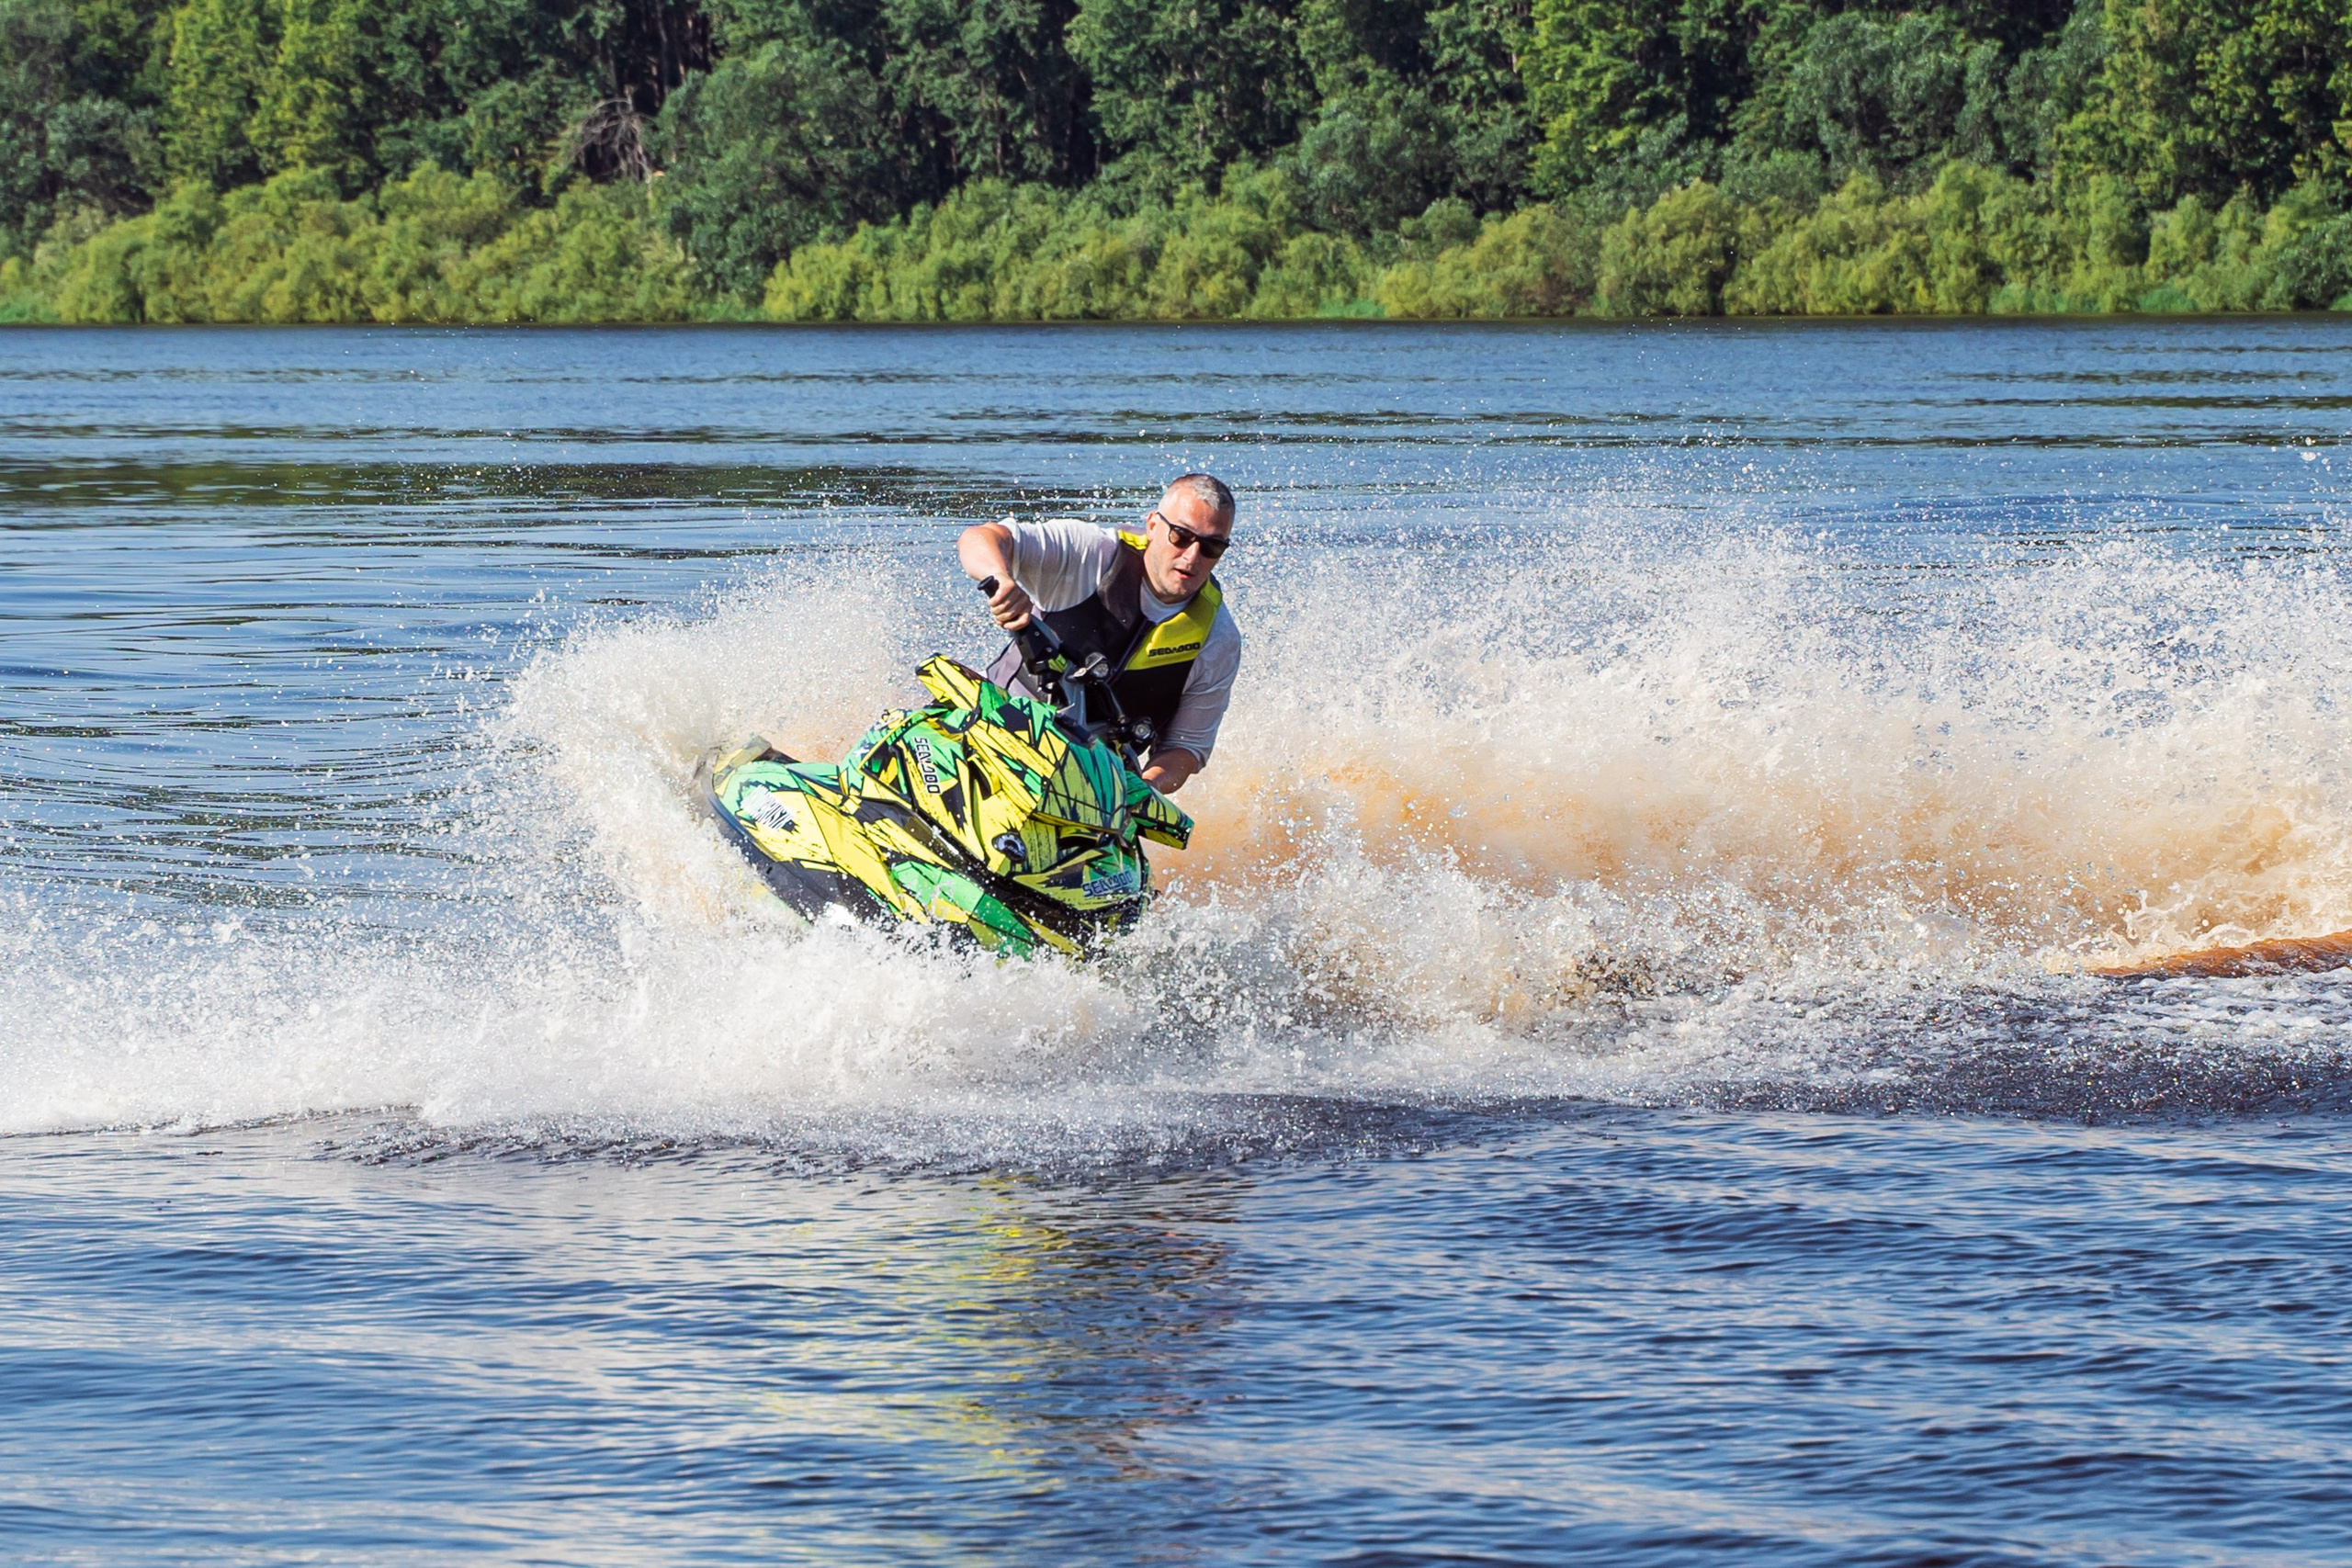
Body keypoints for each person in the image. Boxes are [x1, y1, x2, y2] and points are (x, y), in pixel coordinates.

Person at [957, 474, 1242, 795]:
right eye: (1181, 536)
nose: (1192, 556)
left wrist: (1139, 792)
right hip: (987, 729)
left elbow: (1185, 748)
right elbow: (981, 537)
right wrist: (999, 577)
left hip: (1085, 792)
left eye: (1211, 546)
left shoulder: (1218, 638)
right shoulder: (1088, 553)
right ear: (1152, 525)